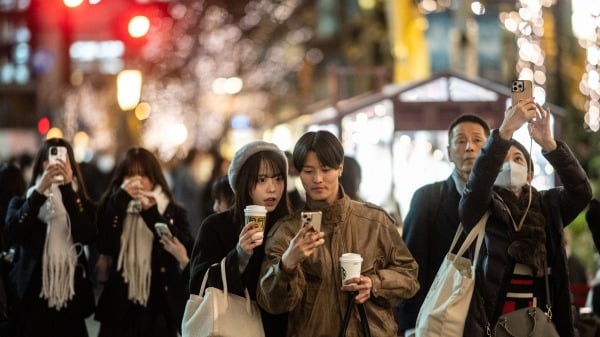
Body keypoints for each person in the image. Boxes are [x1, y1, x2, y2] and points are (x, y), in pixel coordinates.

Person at [257, 130, 419, 337]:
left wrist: (375, 283)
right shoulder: (287, 232)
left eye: (325, 169)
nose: (317, 179)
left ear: (340, 168)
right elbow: (271, 304)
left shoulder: (374, 221)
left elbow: (410, 277)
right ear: (298, 173)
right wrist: (287, 263)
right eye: (308, 171)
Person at [459, 99, 592, 336]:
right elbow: (477, 184)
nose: (510, 165)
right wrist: (505, 132)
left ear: (530, 174)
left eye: (518, 158)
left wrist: (550, 146)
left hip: (538, 321)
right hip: (491, 322)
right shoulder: (481, 206)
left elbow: (582, 192)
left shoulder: (548, 206)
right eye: (503, 160)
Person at [397, 113, 490, 336]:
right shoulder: (428, 198)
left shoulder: (502, 202)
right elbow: (411, 264)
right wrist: (412, 325)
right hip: (441, 321)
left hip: (488, 321)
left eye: (477, 140)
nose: (469, 147)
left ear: (490, 151)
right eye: (460, 141)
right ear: (448, 152)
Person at [188, 141, 290, 337]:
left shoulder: (289, 226)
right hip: (231, 328)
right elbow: (197, 284)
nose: (272, 188)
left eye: (278, 179)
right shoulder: (216, 226)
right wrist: (239, 257)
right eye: (261, 180)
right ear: (243, 183)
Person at [94, 147, 194, 337]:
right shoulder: (112, 206)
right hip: (120, 306)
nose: (137, 180)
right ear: (122, 177)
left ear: (154, 177)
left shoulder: (171, 210)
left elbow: (187, 245)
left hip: (158, 308)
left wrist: (152, 214)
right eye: (131, 174)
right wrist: (120, 203)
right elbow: (104, 244)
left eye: (143, 174)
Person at [5, 138, 97, 337]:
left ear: (71, 165)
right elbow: (12, 233)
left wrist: (66, 190)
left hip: (69, 298)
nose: (55, 164)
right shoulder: (23, 202)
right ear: (40, 164)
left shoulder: (82, 204)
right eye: (49, 159)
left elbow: (87, 235)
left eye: (62, 159)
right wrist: (39, 193)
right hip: (32, 301)